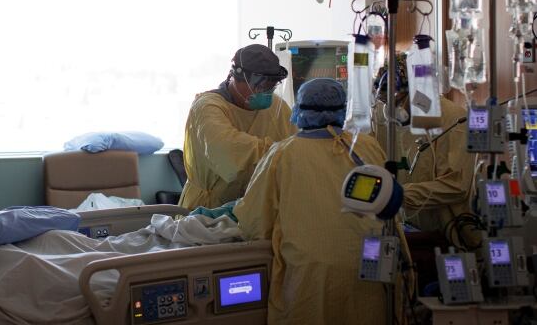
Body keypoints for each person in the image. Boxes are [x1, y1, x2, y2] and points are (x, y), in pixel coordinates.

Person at [233, 78, 389, 325]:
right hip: (369, 265)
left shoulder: (283, 154)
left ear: (299, 110)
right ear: (342, 110)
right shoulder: (367, 147)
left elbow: (254, 223)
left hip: (312, 274)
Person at [372, 54, 474, 244]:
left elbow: (457, 185)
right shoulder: (393, 122)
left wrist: (402, 194)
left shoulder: (454, 119)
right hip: (411, 229)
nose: (390, 108)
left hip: (450, 232)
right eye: (385, 102)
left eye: (396, 99)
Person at [178, 44, 295, 210]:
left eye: (271, 86)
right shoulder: (207, 107)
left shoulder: (276, 107)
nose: (266, 91)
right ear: (235, 77)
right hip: (206, 210)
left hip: (252, 208)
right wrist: (280, 152)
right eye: (260, 85)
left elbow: (296, 145)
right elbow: (227, 151)